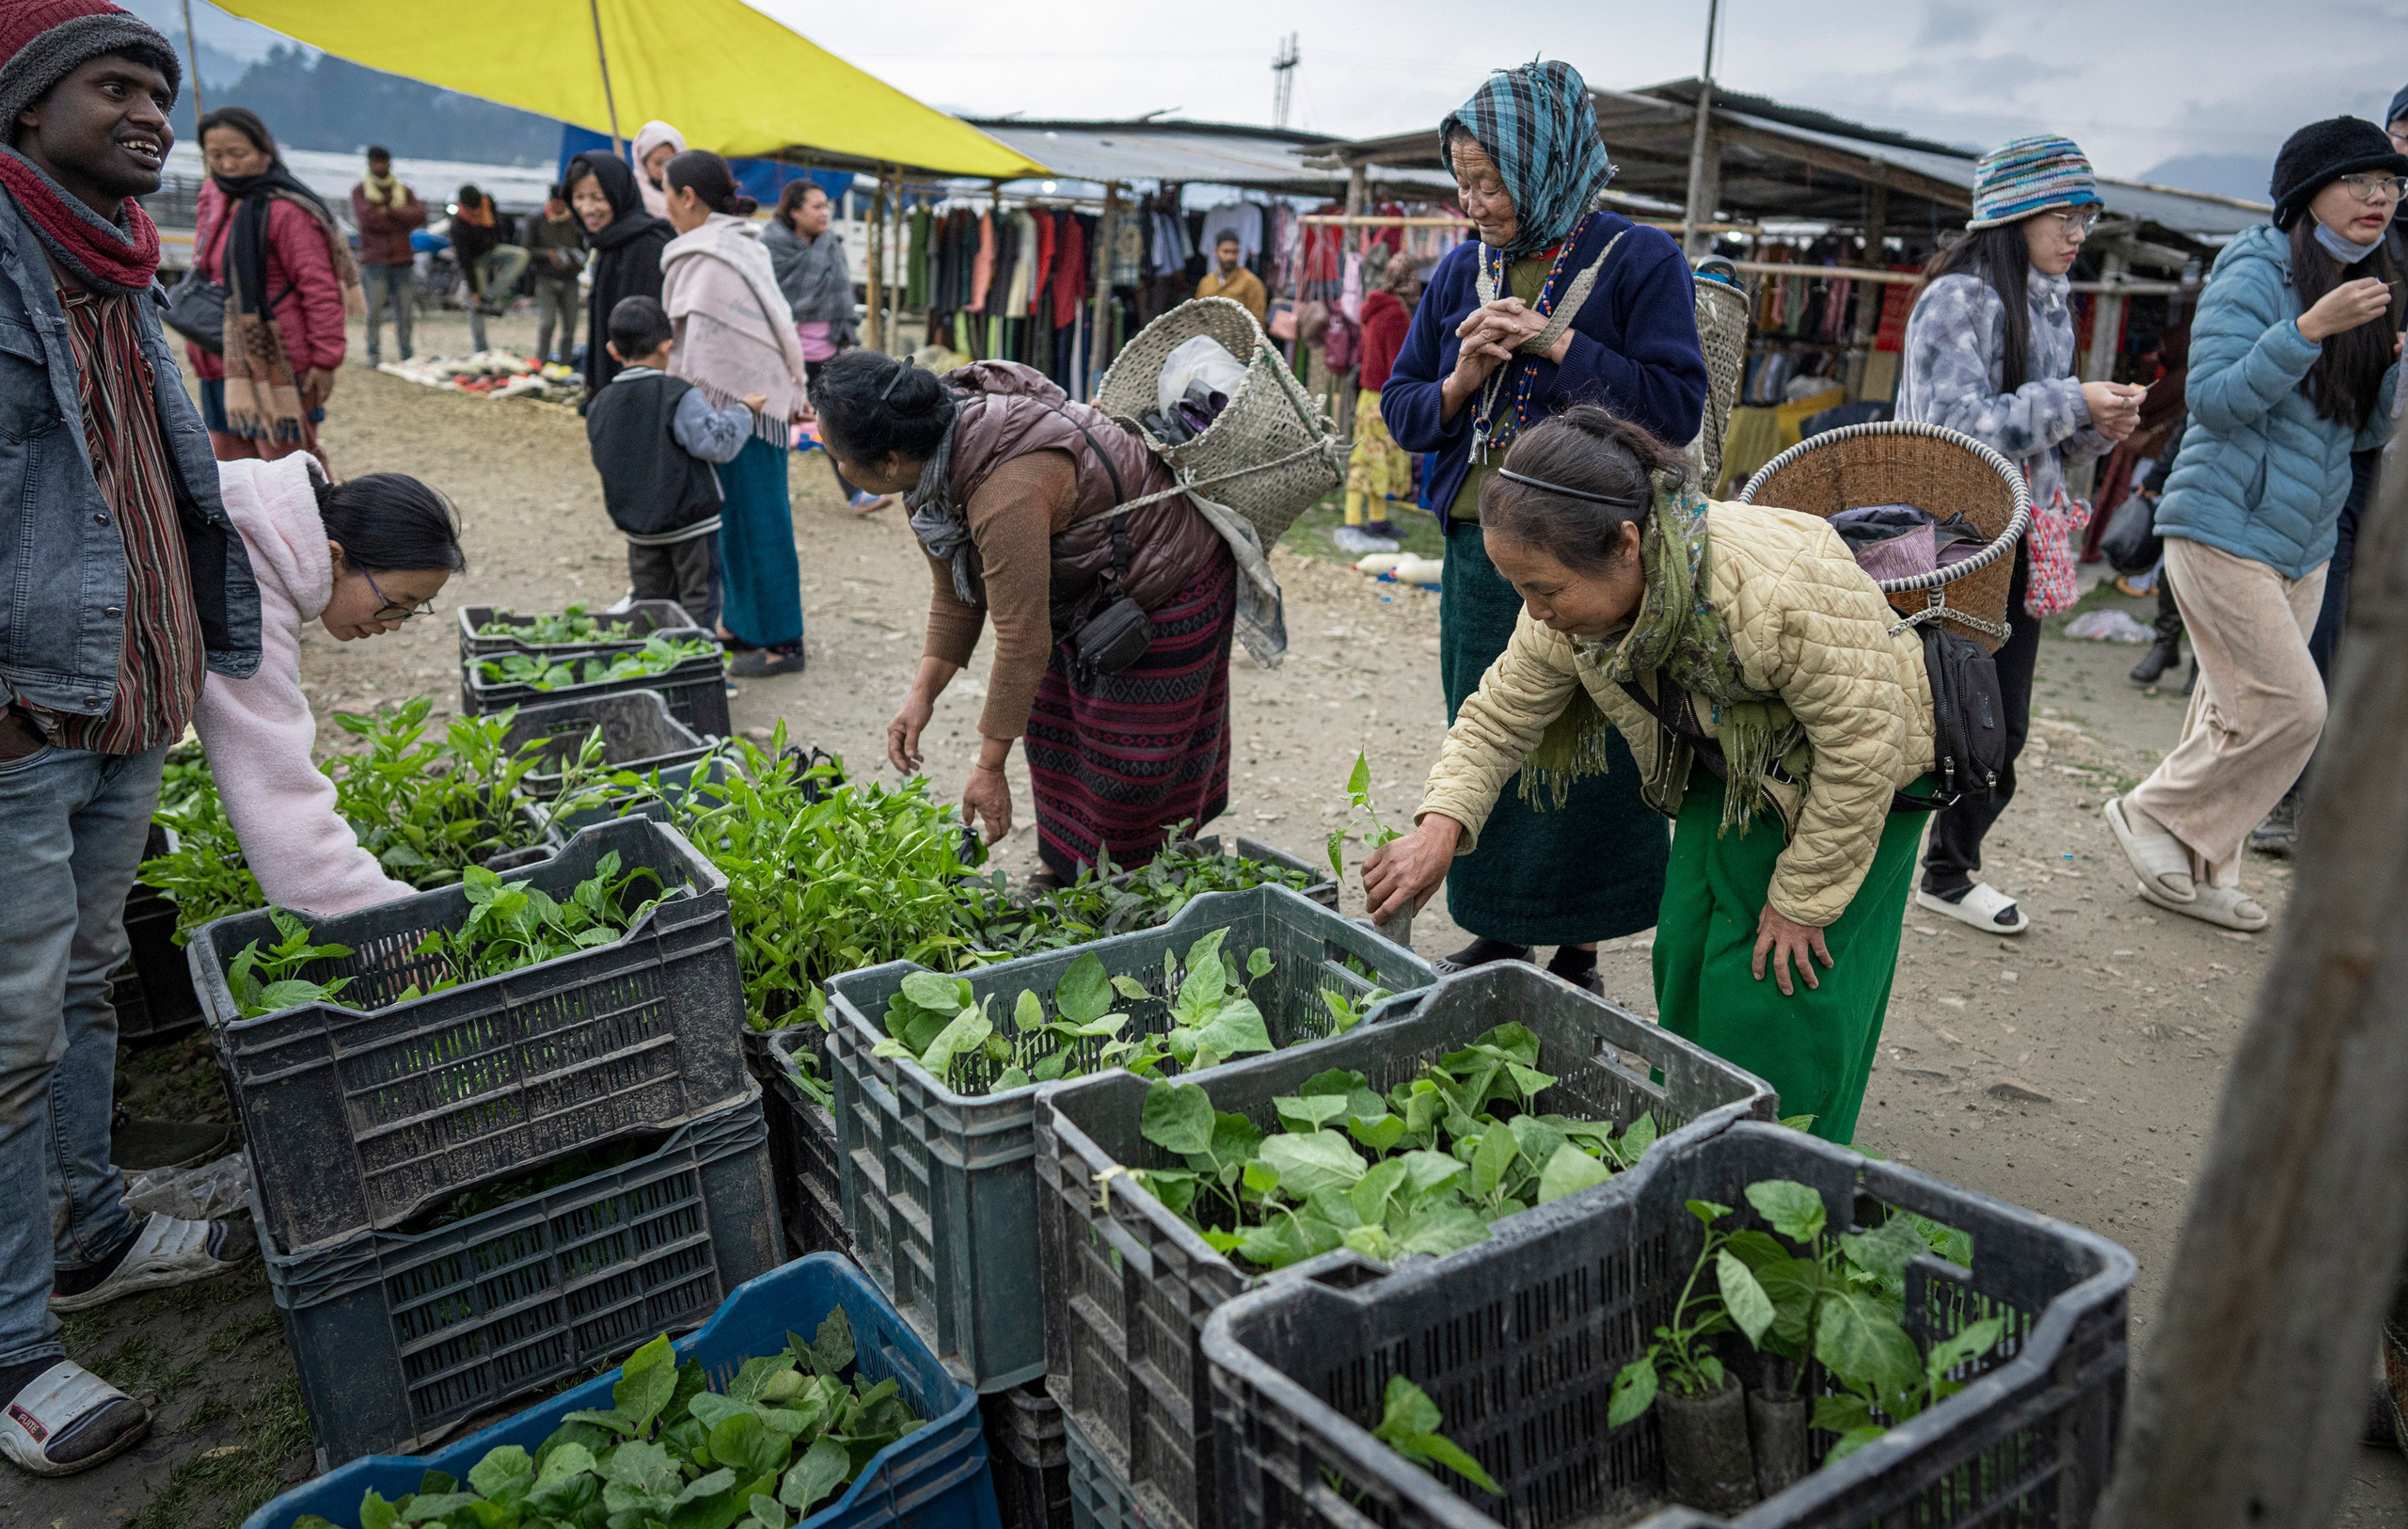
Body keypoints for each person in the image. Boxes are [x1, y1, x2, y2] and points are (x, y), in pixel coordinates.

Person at [1361, 408, 1937, 1144]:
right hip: (1731, 760)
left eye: (1546, 589)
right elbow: (1499, 713)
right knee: (1687, 951)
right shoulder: (1568, 610)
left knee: (1776, 986)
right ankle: (1695, 1138)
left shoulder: (1774, 588)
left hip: (1861, 780)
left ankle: (1784, 1162)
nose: (1535, 612)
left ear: (1627, 545)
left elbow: (1865, 745)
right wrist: (1440, 827)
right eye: (1521, 588)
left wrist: (1803, 899)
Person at [0, 1, 263, 1476]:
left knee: (86, 980)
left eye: (159, 90)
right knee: (7, 1032)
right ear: (27, 109)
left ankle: (92, 1232)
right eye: (114, 87)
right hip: (23, 714)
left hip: (125, 692)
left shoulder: (115, 264)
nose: (152, 115)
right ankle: (14, 1351)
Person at [1381, 60, 1708, 993]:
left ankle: (1580, 951)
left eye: (1489, 182)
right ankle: (1497, 930)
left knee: (1593, 745)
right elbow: (1403, 408)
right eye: (1462, 182)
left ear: (1544, 165)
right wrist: (1463, 378)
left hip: (1595, 557)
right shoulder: (1461, 270)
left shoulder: (1638, 258)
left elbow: (1674, 406)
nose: (1472, 202)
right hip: (1480, 551)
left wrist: (1558, 344)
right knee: (1489, 728)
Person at [2108, 117, 2405, 932]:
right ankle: (2151, 809)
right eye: (2360, 180)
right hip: (2222, 523)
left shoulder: (2368, 280)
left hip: (2306, 541)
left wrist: (2392, 370)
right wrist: (2307, 329)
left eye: (2391, 183)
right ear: (2308, 191)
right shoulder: (2256, 266)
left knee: (2227, 711)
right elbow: (2212, 400)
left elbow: (2359, 436)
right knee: (2295, 708)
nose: (2380, 196)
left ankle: (2207, 870)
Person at [811, 350, 1240, 884]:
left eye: (837, 456)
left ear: (890, 461)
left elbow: (1021, 642)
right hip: (1085, 587)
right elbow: (958, 596)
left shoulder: (1004, 491)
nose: (838, 468)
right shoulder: (928, 476)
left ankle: (1141, 888)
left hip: (1168, 575)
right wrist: (921, 696)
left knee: (1131, 763)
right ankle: (1064, 873)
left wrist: (988, 768)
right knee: (1053, 732)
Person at [1895, 133, 2144, 936]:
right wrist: (2074, 400)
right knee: (1926, 716)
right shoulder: (1955, 299)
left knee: (2002, 728)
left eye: (2086, 218)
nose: (2078, 234)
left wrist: (2100, 423)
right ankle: (1883, 864)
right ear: (2012, 216)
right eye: (2064, 216)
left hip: (2020, 540)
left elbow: (2049, 447)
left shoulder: (2051, 301)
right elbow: (1953, 430)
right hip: (1946, 545)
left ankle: (1947, 871)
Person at [198, 458, 462, 916]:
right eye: (395, 603)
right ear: (335, 557)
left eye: (414, 609)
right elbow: (273, 788)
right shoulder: (242, 581)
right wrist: (379, 914)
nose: (395, 624)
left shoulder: (263, 507)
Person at [659, 150, 810, 677]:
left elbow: (702, 345)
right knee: (730, 521)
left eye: (666, 192)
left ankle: (784, 642)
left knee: (761, 522)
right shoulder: (736, 244)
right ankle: (744, 625)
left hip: (747, 407)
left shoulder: (712, 256)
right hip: (745, 401)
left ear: (688, 197)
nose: (664, 204)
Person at [187, 106, 358, 468]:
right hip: (220, 356)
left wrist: (326, 359)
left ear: (266, 152)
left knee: (287, 465)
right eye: (215, 156)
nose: (227, 165)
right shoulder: (213, 196)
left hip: (277, 363)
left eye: (238, 154)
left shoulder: (287, 210)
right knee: (231, 465)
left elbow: (319, 289)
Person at [588, 295, 752, 631]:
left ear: (613, 350)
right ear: (667, 346)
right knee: (698, 602)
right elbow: (716, 444)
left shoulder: (600, 403)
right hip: (690, 524)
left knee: (649, 608)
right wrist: (744, 412)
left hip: (639, 529)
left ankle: (651, 660)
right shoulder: (678, 394)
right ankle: (697, 663)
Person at [764, 178, 884, 513]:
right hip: (782, 355)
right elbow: (767, 302)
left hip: (827, 351)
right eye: (816, 207)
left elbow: (841, 295)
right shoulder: (770, 248)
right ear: (794, 211)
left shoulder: (831, 245)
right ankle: (771, 497)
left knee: (837, 420)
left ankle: (857, 494)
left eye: (826, 206)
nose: (824, 213)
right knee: (775, 425)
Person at [564, 148, 672, 401]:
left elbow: (647, 337)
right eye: (579, 197)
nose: (587, 208)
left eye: (598, 198)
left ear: (619, 194)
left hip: (639, 391)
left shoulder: (646, 245)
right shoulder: (608, 243)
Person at [1341, 255, 1419, 550]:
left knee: (1372, 460)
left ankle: (1376, 519)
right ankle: (1353, 522)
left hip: (1369, 396)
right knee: (1368, 461)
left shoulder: (1375, 307)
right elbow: (1399, 363)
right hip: (1384, 398)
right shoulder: (1396, 313)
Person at [350, 144, 423, 368]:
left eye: (383, 162)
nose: (380, 166)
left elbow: (419, 215)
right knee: (374, 312)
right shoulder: (361, 191)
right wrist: (400, 218)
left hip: (402, 259)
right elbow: (368, 220)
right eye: (376, 162)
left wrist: (389, 211)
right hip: (375, 260)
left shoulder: (404, 190)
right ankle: (373, 353)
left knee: (405, 312)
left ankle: (406, 353)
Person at [450, 183, 527, 354]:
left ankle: (490, 296)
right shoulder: (458, 225)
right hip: (474, 261)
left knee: (521, 255)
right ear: (464, 207)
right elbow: (465, 261)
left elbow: (501, 230)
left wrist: (489, 222)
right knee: (475, 305)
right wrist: (475, 292)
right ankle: (481, 349)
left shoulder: (488, 204)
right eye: (473, 210)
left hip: (492, 250)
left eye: (478, 208)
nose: (477, 212)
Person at [525, 181, 585, 366]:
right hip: (546, 277)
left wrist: (575, 259)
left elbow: (585, 248)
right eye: (555, 202)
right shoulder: (537, 219)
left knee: (570, 326)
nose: (558, 207)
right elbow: (527, 249)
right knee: (547, 324)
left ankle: (565, 363)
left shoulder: (576, 221)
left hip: (570, 278)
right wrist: (546, 254)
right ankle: (541, 362)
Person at [1195, 231, 1265, 322]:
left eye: (1234, 252)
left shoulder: (1251, 282)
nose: (1230, 257)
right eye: (1226, 251)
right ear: (1216, 251)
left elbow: (1258, 321)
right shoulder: (1206, 282)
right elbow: (1197, 316)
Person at [632, 119, 683, 220]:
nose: (665, 169)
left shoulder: (689, 190)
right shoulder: (634, 194)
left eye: (672, 161)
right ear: (643, 163)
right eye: (658, 163)